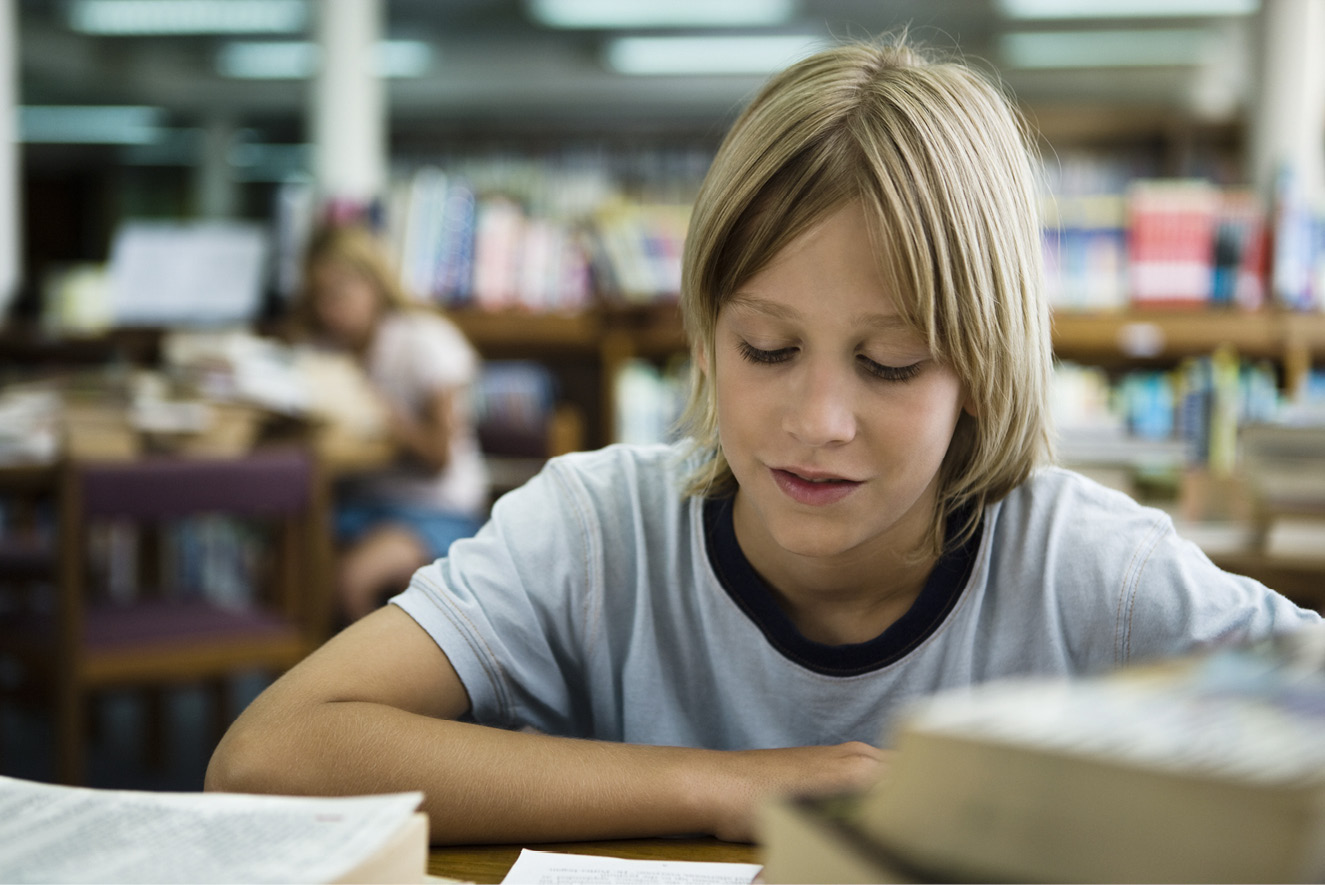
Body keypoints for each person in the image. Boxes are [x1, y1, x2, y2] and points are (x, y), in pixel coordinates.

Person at [207, 38, 1321, 843]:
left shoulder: (1089, 570)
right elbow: (266, 759)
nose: (815, 423)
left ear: (983, 370)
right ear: (700, 339)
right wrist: (734, 786)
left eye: (888, 364)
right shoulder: (595, 532)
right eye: (765, 349)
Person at [294, 224, 488, 621]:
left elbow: (440, 457)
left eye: (340, 293)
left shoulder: (425, 342)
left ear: (376, 286)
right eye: (319, 298)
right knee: (288, 573)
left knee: (349, 582)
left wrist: (378, 412)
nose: (329, 310)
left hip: (433, 507)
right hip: (358, 502)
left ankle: (373, 683)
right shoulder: (323, 350)